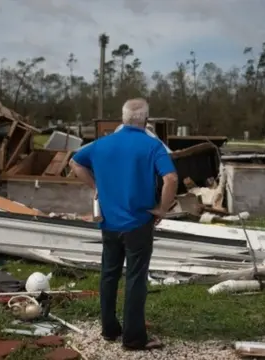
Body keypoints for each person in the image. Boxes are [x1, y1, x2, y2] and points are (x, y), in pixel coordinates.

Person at [69, 98, 178, 351]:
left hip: (108, 222)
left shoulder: (101, 144)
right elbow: (171, 178)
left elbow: (75, 162)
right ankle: (134, 339)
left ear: (123, 118)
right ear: (146, 120)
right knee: (135, 278)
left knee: (109, 274)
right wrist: (162, 209)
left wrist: (96, 187)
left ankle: (109, 329)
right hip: (138, 223)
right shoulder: (152, 146)